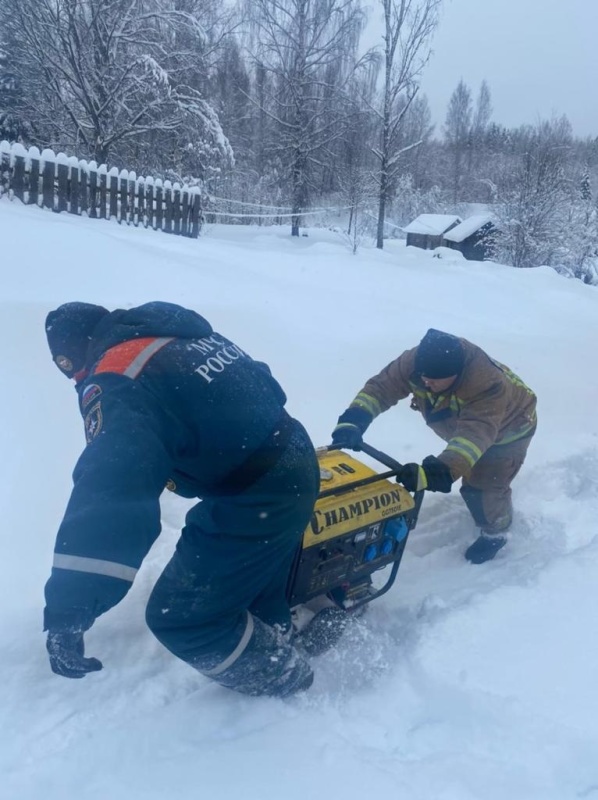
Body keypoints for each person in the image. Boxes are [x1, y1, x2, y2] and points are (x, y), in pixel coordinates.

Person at [43, 301, 320, 697]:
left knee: (184, 619)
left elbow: (113, 489)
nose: (77, 381)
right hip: (290, 456)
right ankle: (274, 634)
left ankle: (286, 679)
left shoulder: (117, 376)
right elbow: (264, 382)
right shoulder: (170, 335)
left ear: (79, 353)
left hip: (259, 492)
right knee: (253, 578)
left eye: (71, 368)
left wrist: (70, 608)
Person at [331, 329, 537, 564]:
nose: (426, 382)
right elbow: (380, 388)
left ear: (456, 374)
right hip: (465, 427)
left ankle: (496, 531)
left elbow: (473, 436)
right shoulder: (414, 362)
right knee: (469, 467)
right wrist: (354, 420)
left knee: (482, 489)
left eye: (435, 379)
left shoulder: (487, 384)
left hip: (509, 432)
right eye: (423, 376)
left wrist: (439, 471)